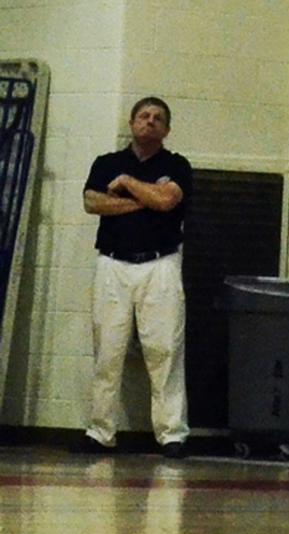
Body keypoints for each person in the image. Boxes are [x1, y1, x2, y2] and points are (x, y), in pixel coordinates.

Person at [74, 96, 192, 460]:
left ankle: (172, 434)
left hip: (160, 265)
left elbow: (169, 200)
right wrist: (147, 199)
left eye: (158, 118)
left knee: (165, 350)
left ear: (167, 129)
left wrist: (127, 183)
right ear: (132, 122)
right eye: (144, 116)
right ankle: (100, 431)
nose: (150, 122)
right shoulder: (106, 162)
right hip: (113, 265)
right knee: (108, 350)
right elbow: (93, 202)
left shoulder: (177, 165)